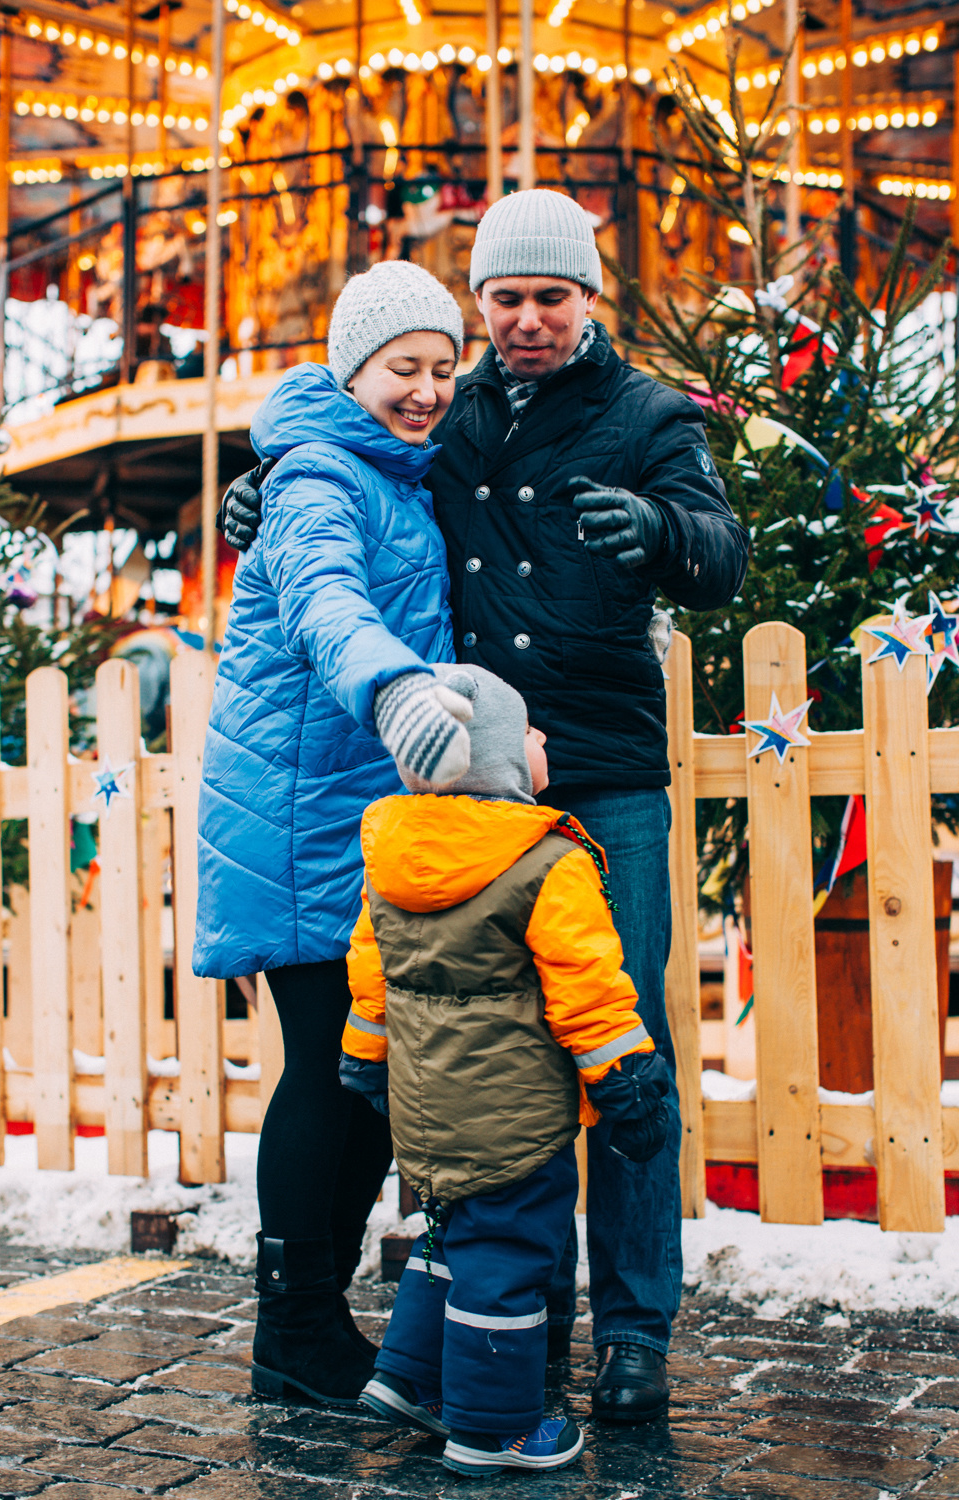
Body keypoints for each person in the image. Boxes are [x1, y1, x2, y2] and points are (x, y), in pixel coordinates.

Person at [220, 189, 749, 1423]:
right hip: (466, 780)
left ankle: (631, 1327)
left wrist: (663, 528)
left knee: (624, 1047)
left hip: (599, 778)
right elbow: (351, 477)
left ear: (588, 300)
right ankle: (505, 1311)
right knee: (476, 1048)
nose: (523, 321)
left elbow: (724, 554)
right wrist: (258, 496)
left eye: (547, 300)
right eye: (501, 300)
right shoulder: (447, 418)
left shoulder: (646, 415)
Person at [193, 259, 474, 1407]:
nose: (424, 392)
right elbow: (324, 603)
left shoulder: (388, 473)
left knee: (364, 1073)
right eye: (402, 369)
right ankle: (293, 1329)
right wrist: (396, 689)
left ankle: (308, 1322)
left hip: (358, 812)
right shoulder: (319, 476)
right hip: (307, 812)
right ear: (351, 370)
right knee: (330, 1070)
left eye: (442, 371)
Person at [339, 663, 671, 1476]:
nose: (543, 739)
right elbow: (589, 988)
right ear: (487, 757)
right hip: (513, 1116)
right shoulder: (546, 863)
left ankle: (410, 1375)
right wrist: (625, 1083)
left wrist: (362, 1059)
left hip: (423, 1108)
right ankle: (495, 1428)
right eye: (527, 731)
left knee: (447, 1237)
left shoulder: (393, 858)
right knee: (509, 1251)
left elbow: (369, 976)